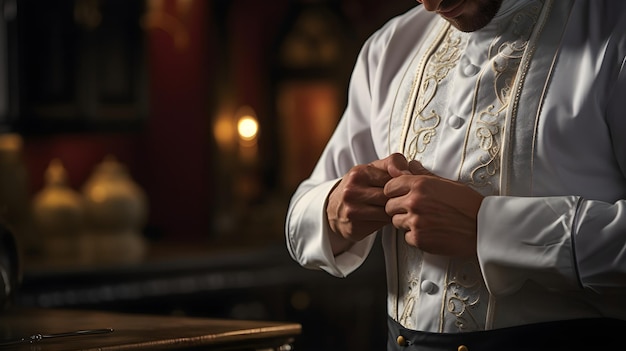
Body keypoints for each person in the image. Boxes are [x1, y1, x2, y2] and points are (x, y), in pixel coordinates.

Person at [284, 0, 626, 350]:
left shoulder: (614, 32)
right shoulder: (388, 48)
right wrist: (334, 210)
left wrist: (490, 230)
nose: (432, 4)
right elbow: (301, 215)